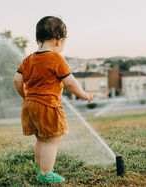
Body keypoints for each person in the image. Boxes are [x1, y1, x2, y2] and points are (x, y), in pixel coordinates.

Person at [14, 16, 93, 183]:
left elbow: (17, 80)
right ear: (59, 40)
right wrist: (83, 94)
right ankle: (45, 173)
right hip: (47, 105)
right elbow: (70, 83)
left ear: (37, 39)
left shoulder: (29, 59)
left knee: (41, 138)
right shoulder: (56, 58)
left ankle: (40, 167)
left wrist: (25, 96)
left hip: (29, 105)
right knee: (53, 140)